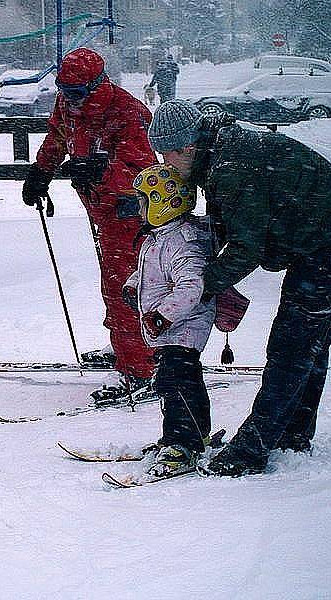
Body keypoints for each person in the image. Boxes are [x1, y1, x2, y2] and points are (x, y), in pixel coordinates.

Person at [147, 99, 331, 476]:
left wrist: (203, 287)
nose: (164, 164)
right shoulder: (220, 152)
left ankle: (253, 448)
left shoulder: (230, 166)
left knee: (292, 345)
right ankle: (293, 434)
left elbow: (246, 246)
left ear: (185, 147)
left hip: (328, 242)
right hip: (323, 235)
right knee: (309, 343)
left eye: (165, 154)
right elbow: (236, 221)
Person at [22, 47, 157, 401]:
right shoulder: (70, 105)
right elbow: (57, 137)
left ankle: (141, 368)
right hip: (99, 210)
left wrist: (102, 169)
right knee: (113, 284)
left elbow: (146, 174)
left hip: (130, 215)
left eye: (77, 92)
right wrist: (41, 172)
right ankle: (127, 349)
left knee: (126, 289)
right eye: (63, 90)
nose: (69, 99)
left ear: (96, 85)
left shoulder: (128, 112)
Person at [124, 164, 216, 477]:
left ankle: (183, 443)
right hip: (172, 330)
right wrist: (134, 284)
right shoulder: (162, 236)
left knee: (176, 385)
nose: (139, 208)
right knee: (182, 383)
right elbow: (155, 271)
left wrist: (163, 316)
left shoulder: (182, 242)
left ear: (163, 204)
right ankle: (189, 435)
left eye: (143, 201)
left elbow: (192, 285)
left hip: (183, 328)